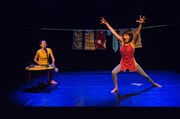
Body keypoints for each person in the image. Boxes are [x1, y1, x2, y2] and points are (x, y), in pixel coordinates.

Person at [100, 15, 161, 93]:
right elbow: (113, 32)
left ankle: (153, 83)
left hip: (132, 62)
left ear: (129, 37)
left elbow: (137, 34)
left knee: (145, 76)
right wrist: (106, 23)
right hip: (123, 63)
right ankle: (116, 87)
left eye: (126, 35)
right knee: (113, 72)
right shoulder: (121, 41)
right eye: (124, 35)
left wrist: (141, 24)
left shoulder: (132, 43)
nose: (124, 36)